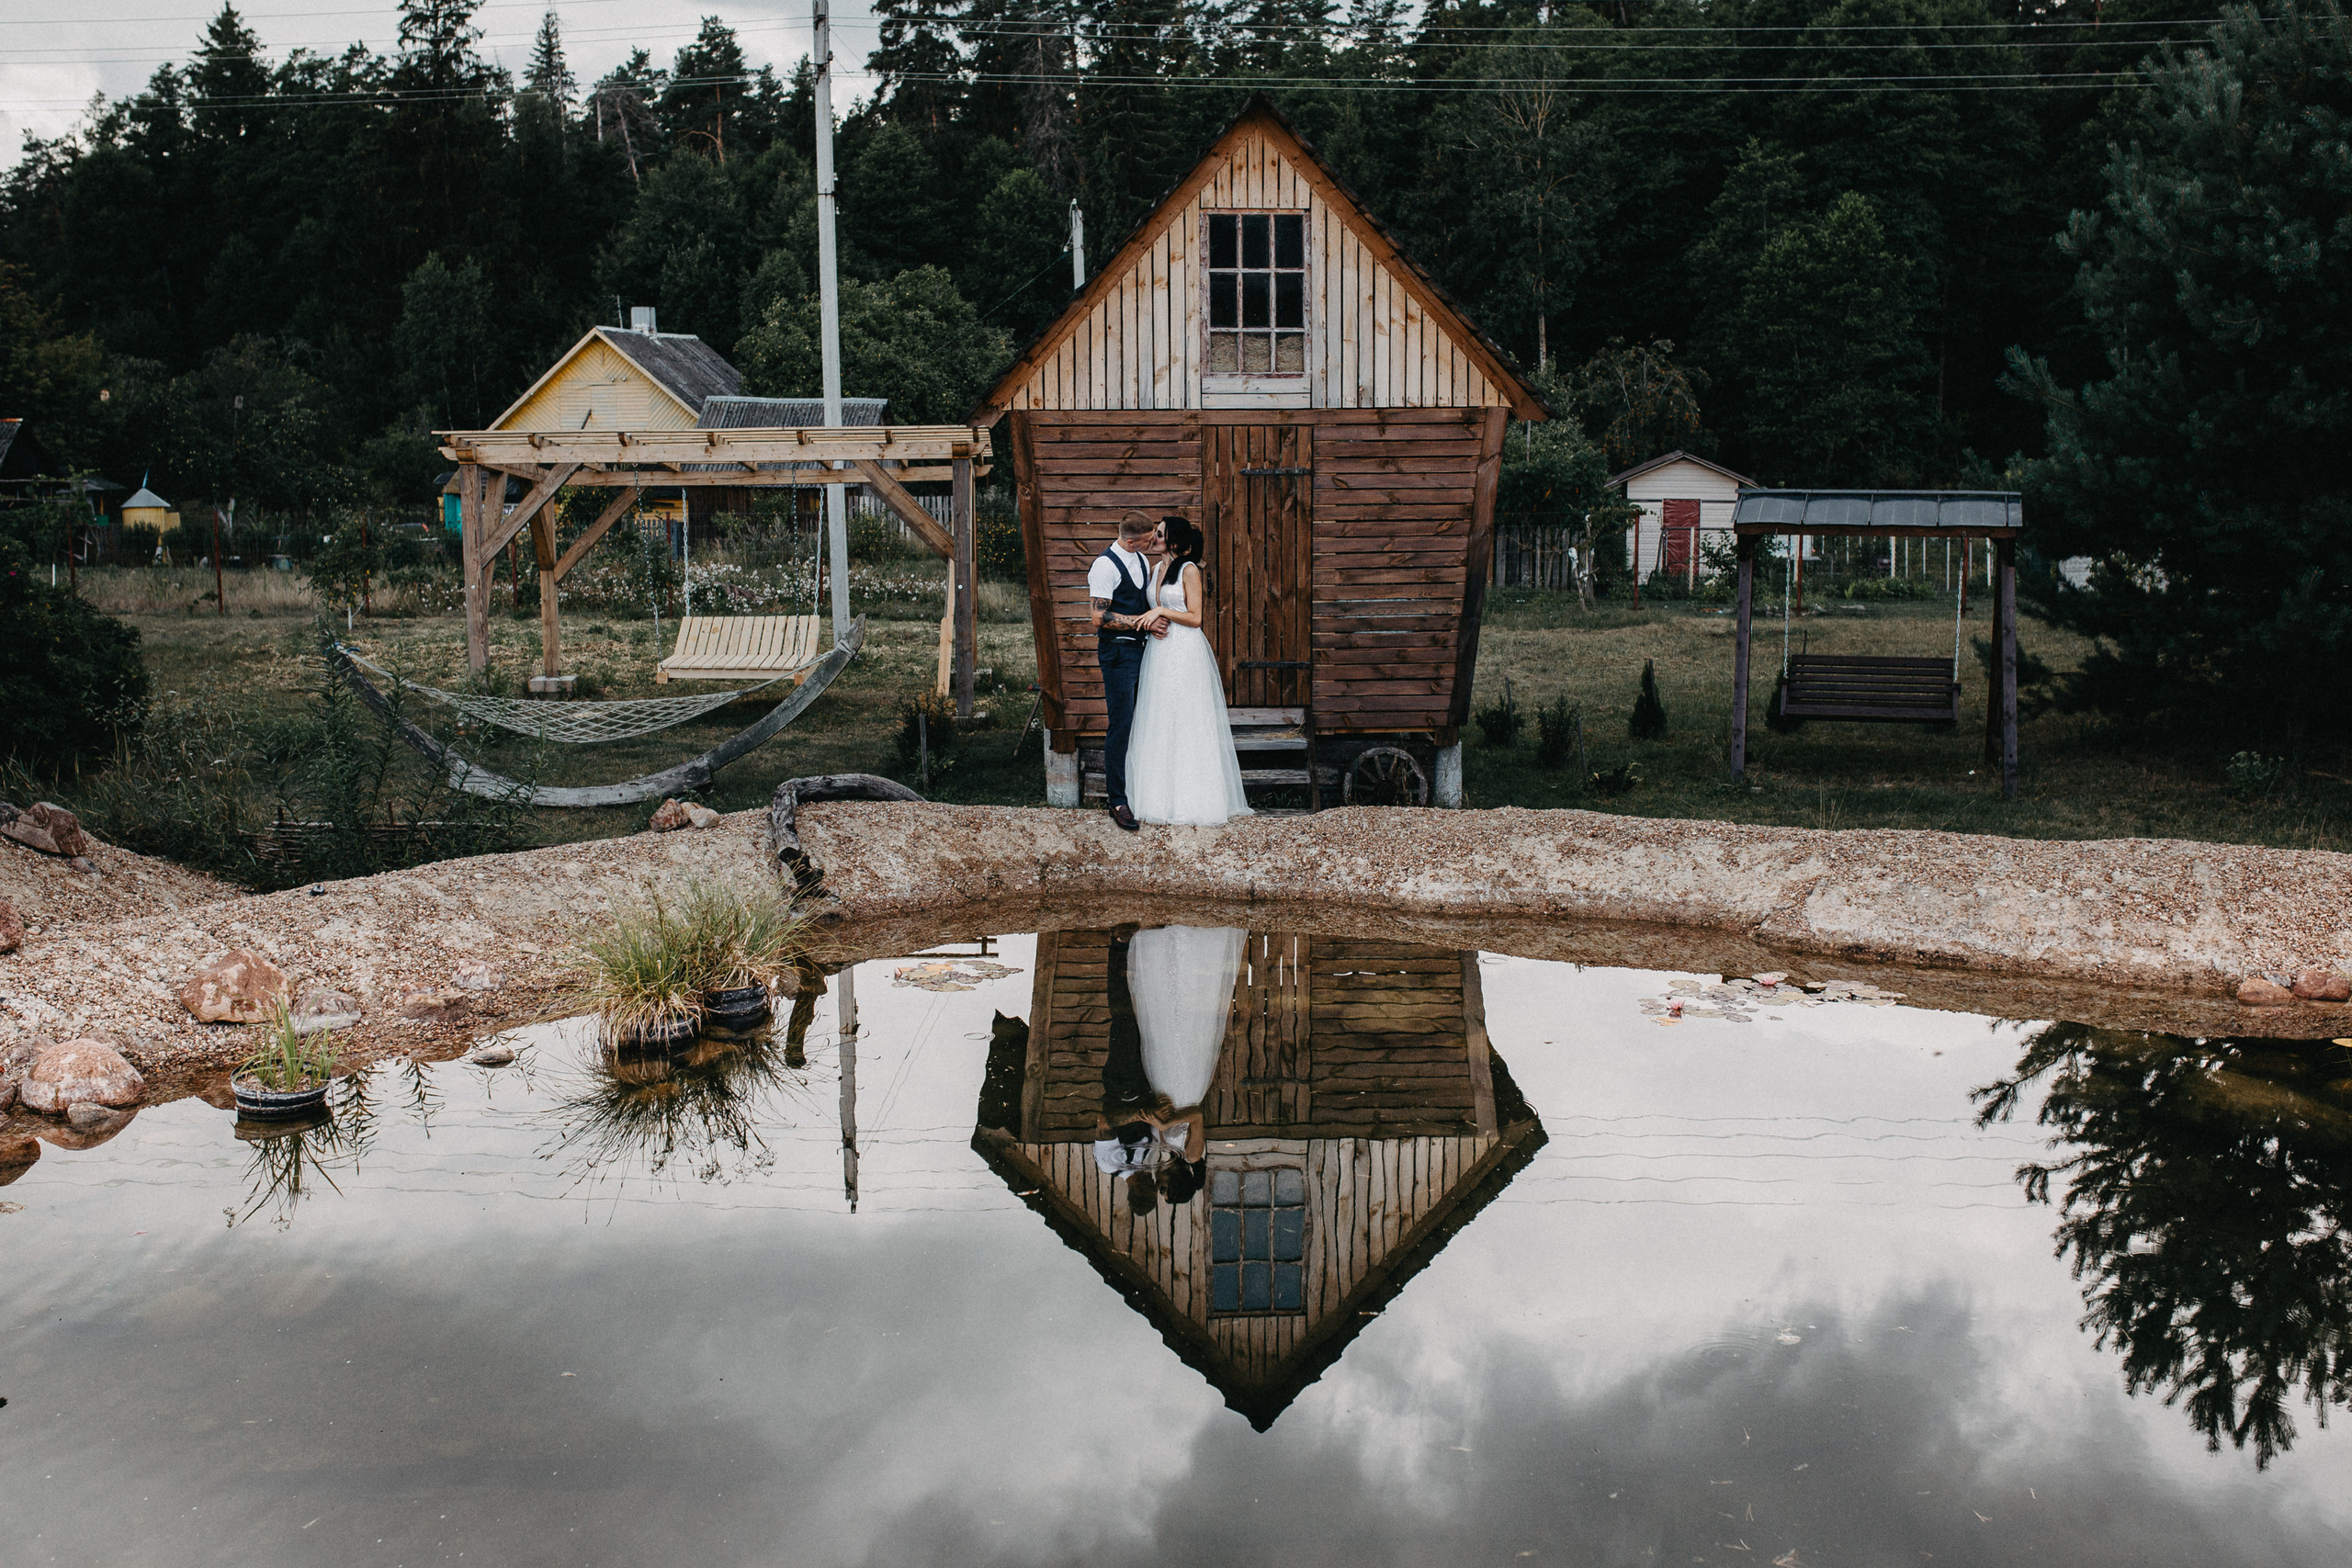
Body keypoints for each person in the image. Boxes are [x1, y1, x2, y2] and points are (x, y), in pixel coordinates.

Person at [1125, 515, 1254, 827]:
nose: (1153, 538)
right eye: (1155, 533)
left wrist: (1160, 610)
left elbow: (1195, 618)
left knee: (1186, 718)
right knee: (1159, 716)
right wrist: (1151, 620)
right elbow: (1155, 610)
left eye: (1159, 534)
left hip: (1184, 650)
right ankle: (1159, 799)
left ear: (1174, 542)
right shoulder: (1155, 569)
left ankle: (1194, 800)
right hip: (1159, 651)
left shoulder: (1189, 569)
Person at [1087, 514, 1169, 832]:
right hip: (1118, 653)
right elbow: (1097, 616)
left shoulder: (1140, 561)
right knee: (1120, 725)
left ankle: (1142, 790)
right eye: (1148, 539)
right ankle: (1117, 800)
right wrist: (1142, 621)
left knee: (1144, 721)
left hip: (1144, 651)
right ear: (1131, 540)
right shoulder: (1105, 566)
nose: (1152, 543)